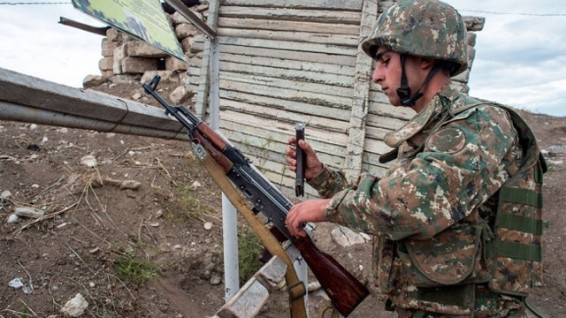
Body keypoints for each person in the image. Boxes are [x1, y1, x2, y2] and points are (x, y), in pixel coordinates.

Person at [284, 0, 546, 317]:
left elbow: (408, 206)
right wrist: (321, 175)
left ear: (423, 58)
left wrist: (325, 208)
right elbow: (390, 191)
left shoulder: (479, 126)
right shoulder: (437, 130)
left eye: (384, 61)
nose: (376, 76)